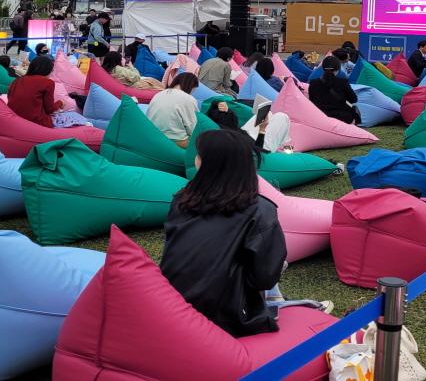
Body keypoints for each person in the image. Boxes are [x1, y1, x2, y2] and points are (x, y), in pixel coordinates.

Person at [160, 129, 329, 338]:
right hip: (229, 317)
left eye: (198, 155)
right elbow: (265, 278)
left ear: (207, 164)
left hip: (171, 304)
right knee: (268, 262)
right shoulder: (260, 211)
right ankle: (281, 304)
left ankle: (278, 302)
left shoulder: (182, 201)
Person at [7, 55, 88, 128]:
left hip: (14, 120)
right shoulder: (48, 83)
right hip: (36, 123)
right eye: (52, 71)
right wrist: (60, 103)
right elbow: (49, 109)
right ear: (48, 70)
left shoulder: (16, 81)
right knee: (78, 118)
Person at [147, 73, 200, 148]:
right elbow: (193, 128)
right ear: (191, 86)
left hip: (152, 136)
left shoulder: (158, 94)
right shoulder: (188, 99)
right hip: (174, 141)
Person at [308, 56, 359, 124]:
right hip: (342, 118)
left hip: (319, 118)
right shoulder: (343, 82)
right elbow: (354, 99)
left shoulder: (313, 83)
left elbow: (311, 101)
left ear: (323, 68)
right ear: (338, 68)